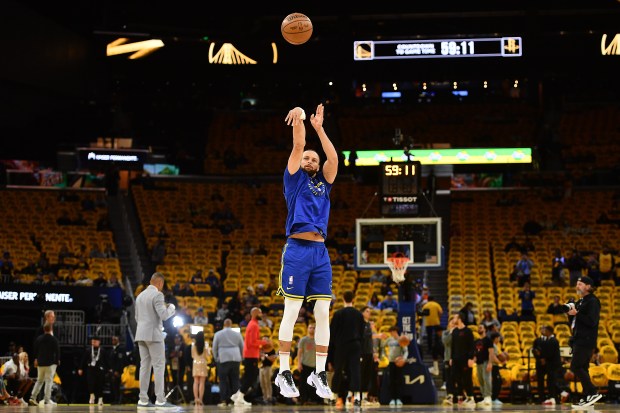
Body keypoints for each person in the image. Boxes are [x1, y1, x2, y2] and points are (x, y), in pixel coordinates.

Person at [275, 103, 338, 401]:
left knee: (323, 311)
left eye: (315, 158)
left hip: (320, 252)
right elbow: (298, 143)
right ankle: (283, 371)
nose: (311, 160)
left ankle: (319, 373)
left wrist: (320, 129)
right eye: (308, 158)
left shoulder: (324, 183)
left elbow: (333, 158)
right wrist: (300, 113)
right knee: (292, 310)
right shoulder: (294, 179)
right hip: (298, 249)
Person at [134, 272, 177, 409]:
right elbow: (164, 316)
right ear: (160, 283)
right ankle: (160, 399)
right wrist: (171, 308)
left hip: (141, 334)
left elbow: (136, 317)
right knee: (159, 367)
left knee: (144, 367)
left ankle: (143, 399)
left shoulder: (139, 296)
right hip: (154, 335)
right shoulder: (158, 295)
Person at [563, 276, 602, 408]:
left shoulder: (593, 301)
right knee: (584, 368)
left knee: (575, 366)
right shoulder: (581, 301)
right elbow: (575, 323)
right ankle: (588, 398)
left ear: (588, 286)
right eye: (577, 284)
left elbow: (592, 321)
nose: (577, 286)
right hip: (579, 339)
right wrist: (570, 314)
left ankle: (592, 391)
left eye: (580, 284)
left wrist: (577, 314)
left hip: (586, 340)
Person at [330, 290, 366, 408]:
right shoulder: (359, 314)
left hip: (341, 345)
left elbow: (332, 333)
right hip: (355, 345)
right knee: (355, 370)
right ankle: (357, 396)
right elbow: (362, 333)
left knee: (338, 370)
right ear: (353, 299)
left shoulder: (338, 314)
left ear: (343, 298)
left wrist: (333, 349)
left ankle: (334, 395)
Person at [231, 307, 265, 406]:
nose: (261, 314)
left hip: (250, 354)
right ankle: (240, 397)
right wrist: (264, 342)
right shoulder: (254, 325)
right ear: (254, 313)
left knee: (247, 377)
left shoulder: (253, 324)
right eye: (260, 313)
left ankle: (236, 396)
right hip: (251, 355)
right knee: (251, 377)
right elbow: (252, 342)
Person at [212, 318, 244, 407]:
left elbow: (214, 348)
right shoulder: (237, 334)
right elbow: (242, 346)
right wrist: (241, 357)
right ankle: (236, 400)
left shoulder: (218, 334)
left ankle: (223, 400)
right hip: (235, 358)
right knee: (235, 380)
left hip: (223, 358)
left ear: (224, 324)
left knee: (222, 380)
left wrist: (216, 358)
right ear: (231, 324)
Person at [29, 322, 60, 407]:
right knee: (49, 381)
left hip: (40, 363)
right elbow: (57, 351)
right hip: (49, 364)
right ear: (51, 329)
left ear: (44, 329)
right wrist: (57, 361)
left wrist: (35, 359)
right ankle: (47, 400)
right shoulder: (54, 339)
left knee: (39, 380)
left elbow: (35, 349)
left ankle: (32, 397)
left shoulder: (39, 338)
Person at [450, 313, 476, 408]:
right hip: (456, 360)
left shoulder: (468, 331)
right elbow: (453, 346)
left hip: (465, 360)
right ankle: (461, 397)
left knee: (467, 379)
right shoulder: (454, 331)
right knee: (456, 378)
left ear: (460, 319)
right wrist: (451, 358)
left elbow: (472, 346)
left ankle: (471, 397)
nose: (453, 319)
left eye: (455, 317)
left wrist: (471, 358)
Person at [533, 325, 562, 406]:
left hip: (550, 364)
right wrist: (539, 358)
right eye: (542, 329)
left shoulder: (553, 340)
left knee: (551, 381)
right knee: (542, 381)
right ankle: (542, 398)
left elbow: (549, 353)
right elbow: (534, 350)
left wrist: (543, 358)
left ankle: (555, 397)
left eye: (544, 329)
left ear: (548, 331)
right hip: (541, 363)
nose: (543, 331)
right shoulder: (538, 340)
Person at [380, 326, 408, 407]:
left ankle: (398, 399)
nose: (391, 333)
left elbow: (406, 351)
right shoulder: (389, 340)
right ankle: (392, 399)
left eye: (392, 331)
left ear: (396, 331)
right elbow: (382, 346)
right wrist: (384, 355)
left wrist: (403, 359)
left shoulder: (401, 339)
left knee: (399, 381)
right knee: (391, 381)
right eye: (391, 332)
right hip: (391, 362)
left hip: (398, 362)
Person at [78, 335, 109, 406]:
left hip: (100, 370)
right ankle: (92, 396)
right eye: (92, 342)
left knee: (100, 384)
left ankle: (100, 399)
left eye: (95, 342)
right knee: (90, 383)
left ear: (99, 342)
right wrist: (80, 368)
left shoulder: (103, 350)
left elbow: (106, 360)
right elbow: (83, 359)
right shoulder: (88, 350)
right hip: (91, 369)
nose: (93, 343)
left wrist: (109, 369)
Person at [297, 323, 319, 405]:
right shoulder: (303, 340)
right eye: (310, 328)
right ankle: (303, 399)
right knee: (303, 383)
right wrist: (299, 364)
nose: (312, 329)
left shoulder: (318, 340)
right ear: (307, 329)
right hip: (305, 364)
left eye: (313, 328)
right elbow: (299, 352)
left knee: (314, 383)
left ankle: (313, 400)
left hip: (315, 365)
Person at [421, 296, 443, 374]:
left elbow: (422, 313)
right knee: (437, 336)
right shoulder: (436, 304)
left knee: (429, 337)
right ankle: (438, 345)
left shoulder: (426, 305)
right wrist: (438, 317)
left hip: (428, 322)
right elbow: (441, 312)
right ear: (433, 299)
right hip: (436, 321)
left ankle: (430, 348)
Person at [473, 324, 493, 407]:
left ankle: (488, 397)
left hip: (485, 362)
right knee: (481, 380)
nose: (479, 329)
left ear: (485, 329)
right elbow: (475, 353)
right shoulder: (476, 341)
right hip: (478, 363)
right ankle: (484, 397)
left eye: (481, 327)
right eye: (478, 328)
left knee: (486, 379)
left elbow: (491, 352)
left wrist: (490, 363)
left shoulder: (488, 340)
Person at [441, 315, 458, 406]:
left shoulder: (459, 333)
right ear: (448, 324)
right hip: (448, 359)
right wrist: (451, 332)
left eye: (455, 324)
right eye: (452, 323)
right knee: (449, 379)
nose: (453, 325)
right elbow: (445, 342)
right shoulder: (446, 333)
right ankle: (449, 396)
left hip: (457, 359)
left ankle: (458, 397)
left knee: (458, 379)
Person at [191, 331, 210, 406]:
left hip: (195, 363)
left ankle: (196, 399)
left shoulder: (193, 345)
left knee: (195, 382)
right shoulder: (206, 344)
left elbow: (192, 355)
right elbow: (208, 355)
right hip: (203, 363)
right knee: (202, 382)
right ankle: (201, 399)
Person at [108, 335, 127, 405]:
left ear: (118, 340)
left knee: (118, 386)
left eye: (115, 339)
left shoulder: (121, 348)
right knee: (113, 386)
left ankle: (119, 400)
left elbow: (121, 361)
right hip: (112, 371)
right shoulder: (112, 349)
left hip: (119, 371)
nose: (113, 341)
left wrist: (117, 371)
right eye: (112, 339)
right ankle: (115, 399)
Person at [259, 336, 276, 405]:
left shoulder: (272, 350)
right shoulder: (261, 349)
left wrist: (265, 356)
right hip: (261, 367)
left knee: (267, 383)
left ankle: (269, 397)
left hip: (268, 368)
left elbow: (273, 359)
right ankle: (264, 397)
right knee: (262, 383)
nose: (264, 342)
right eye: (262, 340)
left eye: (265, 340)